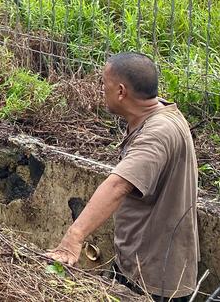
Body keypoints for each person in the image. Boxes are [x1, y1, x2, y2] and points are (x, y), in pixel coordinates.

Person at [47, 52, 199, 302]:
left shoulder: (158, 133)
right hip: (137, 262)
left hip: (155, 278)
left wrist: (72, 239)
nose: (100, 90)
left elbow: (118, 185)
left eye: (103, 84)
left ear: (120, 92)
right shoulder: (154, 115)